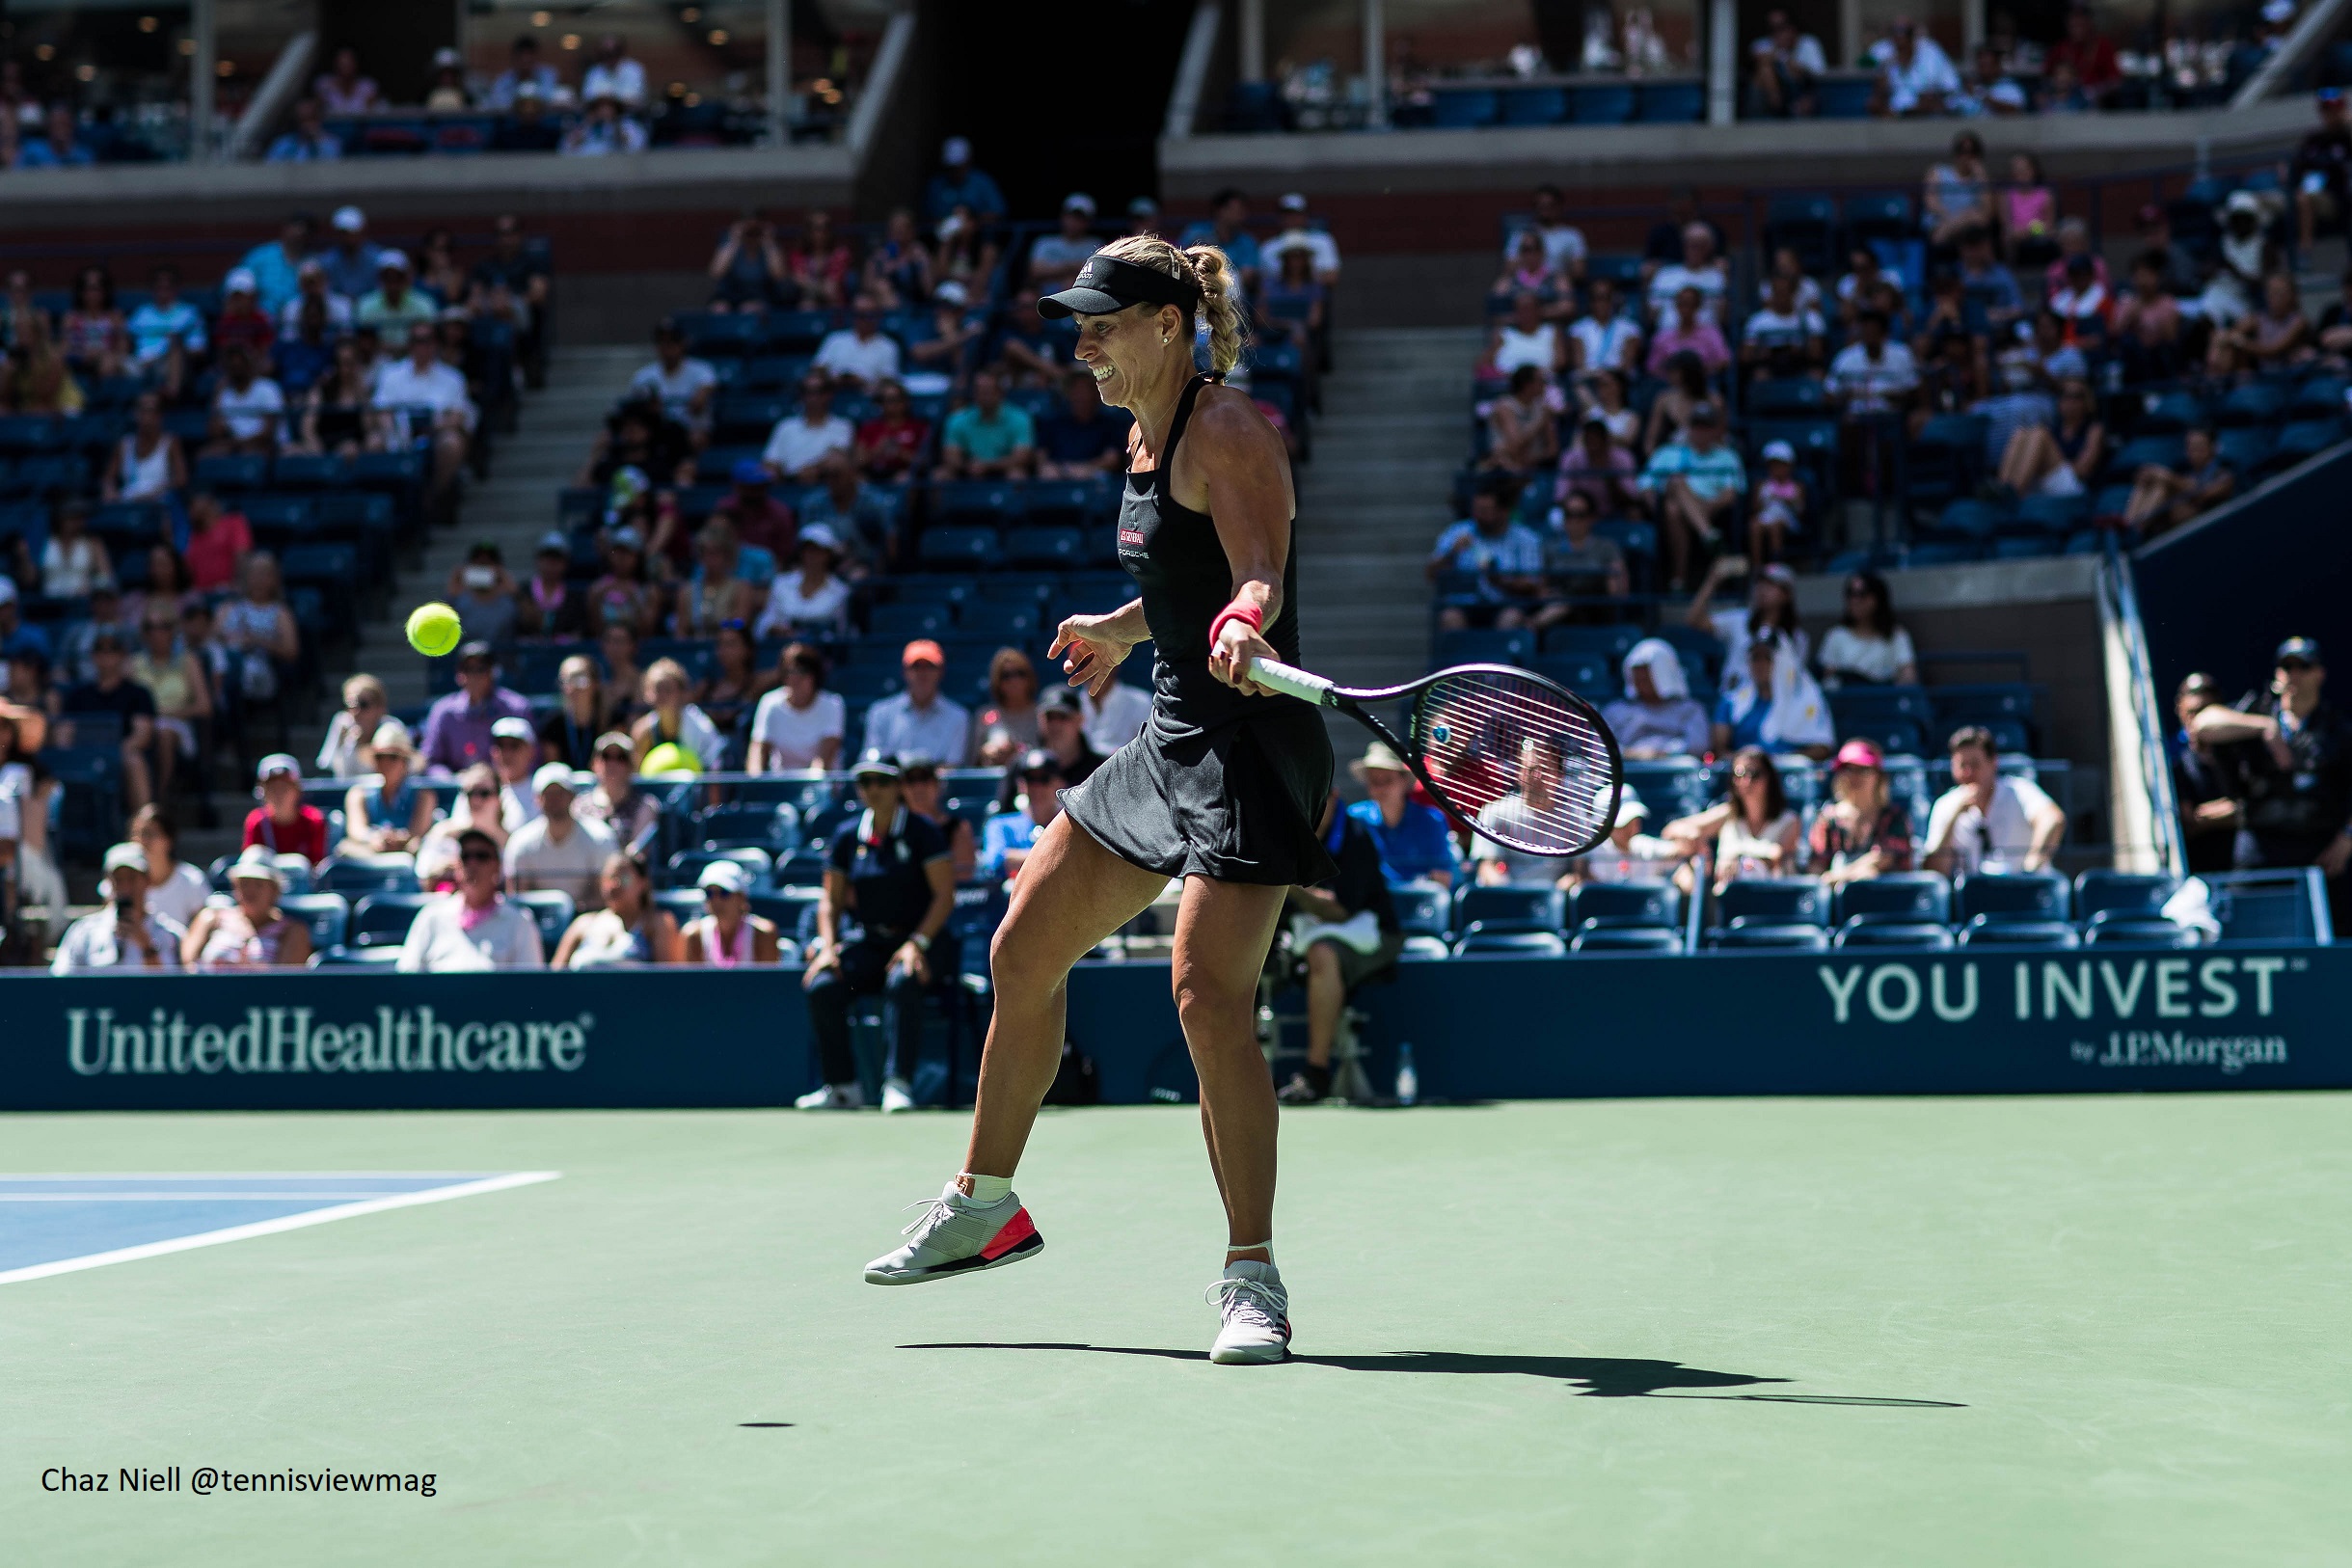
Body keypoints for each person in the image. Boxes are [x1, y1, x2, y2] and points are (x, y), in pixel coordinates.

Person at [852, 234, 1325, 1368]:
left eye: (1101, 323)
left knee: (1208, 997)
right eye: (1078, 324)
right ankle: (986, 1205)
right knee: (1022, 949)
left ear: (1169, 323)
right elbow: (1180, 568)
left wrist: (1247, 620)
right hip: (1169, 734)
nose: (1083, 343)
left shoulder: (1229, 430)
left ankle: (1252, 1278)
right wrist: (1125, 629)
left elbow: (1257, 564)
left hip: (1253, 745)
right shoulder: (1140, 435)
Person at [801, 753, 956, 1113]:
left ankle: (897, 1083)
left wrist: (917, 943)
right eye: (866, 782)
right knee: (822, 986)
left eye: (882, 781)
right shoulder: (845, 836)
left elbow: (944, 897)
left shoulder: (924, 833)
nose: (873, 790)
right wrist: (827, 947)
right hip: (870, 943)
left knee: (902, 981)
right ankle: (842, 1087)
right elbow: (830, 901)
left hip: (924, 942)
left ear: (898, 787)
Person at [2192, 637, 2352, 930]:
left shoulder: (2335, 727)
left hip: (2318, 851)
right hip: (2261, 847)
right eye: (2286, 666)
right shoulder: (2257, 711)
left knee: (2328, 937)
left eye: (2303, 666)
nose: (2293, 674)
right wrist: (2264, 727)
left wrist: (2347, 837)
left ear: (2319, 673)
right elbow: (2203, 723)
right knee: (2250, 931)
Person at [1923, 725, 2067, 877]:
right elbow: (1935, 871)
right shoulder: (1945, 804)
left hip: (2022, 890)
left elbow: (2053, 820)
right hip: (1976, 895)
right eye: (1962, 765)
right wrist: (1953, 817)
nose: (1968, 773)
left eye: (1975, 764)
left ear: (1993, 763)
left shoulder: (2019, 790)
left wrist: (2031, 866)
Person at [398, 828, 547, 971]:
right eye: (466, 856)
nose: (472, 864)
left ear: (497, 867)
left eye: (482, 856)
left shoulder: (519, 922)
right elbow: (406, 976)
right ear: (457, 866)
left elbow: (530, 988)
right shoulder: (431, 917)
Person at [1664, 746, 1802, 894]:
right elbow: (1672, 829)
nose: (1746, 781)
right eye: (1739, 774)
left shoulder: (1789, 820)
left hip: (1769, 897)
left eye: (1754, 774)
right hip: (1727, 900)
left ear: (1769, 778)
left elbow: (1776, 856)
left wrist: (1735, 858)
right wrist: (1694, 837)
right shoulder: (1728, 813)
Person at [1640, 402, 1745, 592]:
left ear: (1715, 430)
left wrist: (1704, 507)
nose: (1701, 431)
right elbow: (1645, 486)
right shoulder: (1668, 453)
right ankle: (1709, 536)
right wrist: (1654, 509)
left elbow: (1731, 494)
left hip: (1714, 510)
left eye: (1706, 426)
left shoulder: (1727, 456)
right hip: (1670, 515)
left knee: (1675, 506)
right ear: (1688, 428)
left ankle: (1678, 579)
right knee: (1675, 491)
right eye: (1696, 426)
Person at [59, 631, 157, 815]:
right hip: (84, 756)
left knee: (135, 760)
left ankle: (144, 824)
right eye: (100, 651)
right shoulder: (78, 695)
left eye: (112, 650)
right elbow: (64, 735)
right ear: (92, 656)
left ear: (122, 656)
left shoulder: (138, 693)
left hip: (120, 755)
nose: (106, 656)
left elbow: (142, 735)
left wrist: (113, 753)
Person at [1428, 475, 1544, 631]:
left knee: (1511, 618)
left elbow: (1533, 584)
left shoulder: (1526, 539)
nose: (1478, 516)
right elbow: (1430, 574)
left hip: (1506, 604)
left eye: (1485, 511)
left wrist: (1500, 581)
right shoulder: (1458, 532)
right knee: (1450, 617)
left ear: (1504, 511)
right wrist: (1451, 553)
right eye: (1476, 509)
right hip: (1466, 604)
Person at [52, 841, 182, 973]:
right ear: (108, 883)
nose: (125, 888)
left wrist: (146, 947)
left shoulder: (170, 935)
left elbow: (171, 989)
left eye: (132, 878)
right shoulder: (83, 933)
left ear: (147, 881)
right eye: (118, 880)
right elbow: (62, 983)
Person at [1471, 736, 1579, 888]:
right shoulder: (1493, 813)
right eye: (1531, 769)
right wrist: (1515, 898)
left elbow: (1580, 872)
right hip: (1505, 903)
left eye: (1545, 769)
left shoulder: (1575, 818)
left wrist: (1552, 897)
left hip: (1557, 904)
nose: (1538, 776)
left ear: (1559, 775)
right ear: (1519, 774)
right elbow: (1487, 868)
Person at [1345, 740, 1457, 887]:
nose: (1380, 788)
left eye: (1387, 780)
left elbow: (1443, 878)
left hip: (1420, 906)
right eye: (1374, 781)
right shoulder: (1354, 818)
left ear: (1404, 781)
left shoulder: (1432, 820)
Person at [182, 845, 311, 970]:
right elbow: (188, 966)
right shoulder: (211, 918)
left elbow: (285, 983)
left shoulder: (293, 931)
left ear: (275, 891)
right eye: (244, 883)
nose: (250, 890)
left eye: (258, 884)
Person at [1807, 741, 1916, 886]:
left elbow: (1881, 860)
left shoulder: (1894, 817)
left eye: (1863, 769)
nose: (1855, 776)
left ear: (1878, 776)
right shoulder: (1827, 819)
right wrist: (1857, 872)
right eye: (1848, 769)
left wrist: (1837, 877)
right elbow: (1816, 869)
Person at [1711, 639, 1835, 760]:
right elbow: (1720, 750)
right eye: (1755, 659)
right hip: (1745, 774)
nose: (1760, 665)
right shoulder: (1731, 701)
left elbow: (1823, 748)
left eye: (1767, 659)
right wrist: (1751, 763)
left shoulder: (1808, 699)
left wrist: (1781, 763)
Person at [420, 641, 533, 775]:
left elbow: (532, 758)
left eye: (481, 669)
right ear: (459, 674)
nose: (474, 676)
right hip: (457, 789)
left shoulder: (517, 708)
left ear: (492, 672)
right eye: (467, 669)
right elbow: (431, 760)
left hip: (508, 788)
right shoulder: (443, 711)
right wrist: (453, 780)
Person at [2170, 673, 2240, 877]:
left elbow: (2256, 810)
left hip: (2241, 867)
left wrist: (2209, 815)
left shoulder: (2239, 754)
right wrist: (2238, 809)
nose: (2197, 721)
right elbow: (2190, 822)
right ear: (2179, 709)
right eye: (2191, 712)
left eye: (2204, 712)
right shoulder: (2175, 760)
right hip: (2199, 871)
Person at [863, 639, 973, 765]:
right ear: (904, 672)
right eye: (916, 667)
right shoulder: (880, 713)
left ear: (941, 672)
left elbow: (953, 766)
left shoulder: (958, 717)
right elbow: (871, 762)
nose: (923, 673)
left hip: (936, 785)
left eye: (930, 667)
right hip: (892, 784)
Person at [1994, 377, 2104, 501]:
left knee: (2040, 433)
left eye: (2076, 396)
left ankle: (2013, 495)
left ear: (2086, 401)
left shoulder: (2094, 429)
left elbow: (2084, 469)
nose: (2069, 401)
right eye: (2064, 395)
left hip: (2074, 485)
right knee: (2020, 433)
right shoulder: (2056, 427)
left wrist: (2052, 461)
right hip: (2047, 479)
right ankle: (2001, 488)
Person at [1603, 638, 1709, 759]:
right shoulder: (1616, 710)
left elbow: (1698, 745)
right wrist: (1629, 753)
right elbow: (1600, 747)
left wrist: (1663, 752)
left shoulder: (1691, 710)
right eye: (1637, 677)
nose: (1641, 682)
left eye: (1646, 677)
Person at [748, 643, 845, 773]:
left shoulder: (833, 704)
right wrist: (755, 783)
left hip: (821, 787)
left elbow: (824, 760)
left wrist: (807, 790)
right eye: (788, 672)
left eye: (802, 672)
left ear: (815, 675)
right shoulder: (769, 703)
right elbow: (758, 751)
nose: (794, 678)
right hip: (780, 786)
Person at [2123, 426, 2233, 538]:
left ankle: (2133, 533)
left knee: (2162, 483)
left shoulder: (2224, 475)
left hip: (2208, 527)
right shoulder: (2188, 475)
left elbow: (2202, 494)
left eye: (2199, 447)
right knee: (2151, 482)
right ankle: (2126, 526)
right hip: (2170, 523)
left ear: (2213, 447)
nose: (2194, 453)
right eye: (2191, 448)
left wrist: (2166, 476)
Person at [344, 719, 436, 854]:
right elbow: (356, 830)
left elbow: (417, 832)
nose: (385, 763)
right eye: (380, 757)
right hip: (370, 856)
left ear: (405, 763)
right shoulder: (358, 794)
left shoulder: (424, 797)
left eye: (393, 757)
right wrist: (374, 839)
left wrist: (398, 839)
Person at [1817, 571, 1918, 688]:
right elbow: (1829, 679)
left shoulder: (1897, 635)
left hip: (1883, 700)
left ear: (1878, 598)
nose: (1854, 601)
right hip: (1848, 701)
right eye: (1850, 594)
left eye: (1862, 594)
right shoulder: (1835, 636)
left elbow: (1908, 675)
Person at [753, 525, 852, 640]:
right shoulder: (781, 583)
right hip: (783, 649)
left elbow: (843, 633)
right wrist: (774, 628)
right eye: (808, 550)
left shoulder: (841, 591)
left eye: (818, 551)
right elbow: (765, 622)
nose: (812, 556)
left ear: (829, 555)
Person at [980, 749, 1066, 880]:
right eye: (1030, 779)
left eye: (1044, 779)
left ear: (1059, 783)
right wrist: (1056, 859)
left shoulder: (1069, 825)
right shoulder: (999, 824)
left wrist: (1015, 858)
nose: (1037, 787)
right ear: (1021, 784)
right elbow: (994, 860)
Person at [681, 858, 783, 965]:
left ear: (741, 897)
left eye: (724, 893)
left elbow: (768, 981)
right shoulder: (693, 936)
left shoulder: (764, 934)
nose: (716, 900)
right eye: (709, 893)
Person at [630, 659, 726, 771]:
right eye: (657, 689)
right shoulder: (641, 732)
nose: (662, 695)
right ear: (647, 693)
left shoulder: (700, 728)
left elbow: (714, 768)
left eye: (668, 689)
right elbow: (637, 774)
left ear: (682, 693)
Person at [939, 367, 1036, 478]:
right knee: (941, 475)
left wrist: (988, 466)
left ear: (1000, 393)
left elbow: (1021, 458)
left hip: (1003, 470)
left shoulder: (1020, 418)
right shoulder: (957, 419)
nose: (984, 397)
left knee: (1017, 475)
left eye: (988, 392)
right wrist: (968, 465)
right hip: (968, 471)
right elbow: (950, 456)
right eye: (980, 392)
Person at [762, 372, 855, 483]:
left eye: (817, 392)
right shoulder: (785, 426)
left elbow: (838, 457)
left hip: (825, 484)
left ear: (829, 395)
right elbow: (771, 461)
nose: (812, 398)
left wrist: (814, 469)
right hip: (789, 484)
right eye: (806, 392)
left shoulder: (842, 426)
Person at [578, 732, 661, 854]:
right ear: (594, 764)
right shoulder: (579, 806)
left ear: (631, 766)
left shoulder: (646, 806)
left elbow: (636, 855)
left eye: (621, 757)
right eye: (606, 756)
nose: (612, 763)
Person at [242, 752, 330, 864]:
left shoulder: (314, 820)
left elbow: (317, 866)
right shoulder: (256, 821)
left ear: (297, 790)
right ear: (262, 793)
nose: (279, 794)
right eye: (272, 788)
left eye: (284, 788)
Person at [2294, 88, 2352, 253]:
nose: (2330, 114)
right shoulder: (2313, 140)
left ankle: (2305, 250)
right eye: (2326, 109)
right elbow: (2298, 166)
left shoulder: (2346, 138)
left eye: (2335, 109)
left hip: (2339, 197)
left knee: (2304, 198)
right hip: (2311, 193)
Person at [104, 392, 187, 503]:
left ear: (160, 415)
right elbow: (108, 479)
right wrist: (110, 491)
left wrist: (157, 492)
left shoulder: (170, 443)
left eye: (151, 411)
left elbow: (181, 479)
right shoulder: (124, 445)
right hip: (129, 504)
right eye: (142, 411)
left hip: (158, 504)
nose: (147, 416)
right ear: (135, 414)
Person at [813, 297, 904, 393]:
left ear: (878, 316)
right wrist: (834, 379)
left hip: (870, 399)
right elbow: (818, 369)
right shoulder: (835, 339)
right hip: (833, 394)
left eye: (868, 315)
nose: (863, 320)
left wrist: (863, 382)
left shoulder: (888, 346)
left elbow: (889, 380)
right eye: (859, 315)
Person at [971, 646, 1041, 765]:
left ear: (1030, 678)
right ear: (997, 681)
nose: (1014, 680)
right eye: (1006, 675)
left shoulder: (1042, 714)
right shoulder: (985, 716)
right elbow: (971, 762)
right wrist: (985, 752)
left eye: (1020, 673)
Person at [1484, 365, 1559, 476]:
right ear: (1527, 384)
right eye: (1540, 381)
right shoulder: (1505, 407)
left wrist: (1534, 460)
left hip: (1535, 466)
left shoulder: (1543, 408)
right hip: (1505, 468)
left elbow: (1553, 449)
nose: (1544, 385)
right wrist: (1540, 422)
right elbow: (1515, 445)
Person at [316, 674, 389, 778]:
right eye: (350, 705)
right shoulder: (341, 722)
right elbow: (326, 765)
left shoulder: (392, 728)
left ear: (380, 707)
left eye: (363, 704)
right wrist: (343, 743)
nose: (356, 711)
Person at [1031, 686, 1104, 789]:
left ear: (1080, 720)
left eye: (1063, 716)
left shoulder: (1101, 770)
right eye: (1050, 717)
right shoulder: (1023, 768)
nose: (1056, 724)